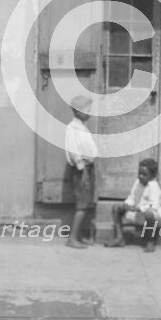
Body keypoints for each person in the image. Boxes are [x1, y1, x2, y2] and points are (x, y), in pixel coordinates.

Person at [105, 157, 161, 252]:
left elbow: (153, 207)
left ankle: (150, 241)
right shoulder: (138, 183)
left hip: (154, 218)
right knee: (116, 207)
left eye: (144, 174)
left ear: (152, 176)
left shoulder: (154, 187)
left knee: (149, 213)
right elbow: (132, 197)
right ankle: (119, 238)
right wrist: (126, 205)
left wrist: (136, 209)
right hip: (137, 214)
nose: (140, 176)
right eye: (139, 173)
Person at [64, 94, 98, 249]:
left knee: (86, 203)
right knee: (82, 205)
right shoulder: (72, 128)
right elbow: (74, 151)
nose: (89, 113)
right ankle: (72, 238)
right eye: (87, 111)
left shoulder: (82, 126)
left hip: (88, 169)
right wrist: (82, 170)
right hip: (81, 170)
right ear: (77, 112)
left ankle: (80, 235)